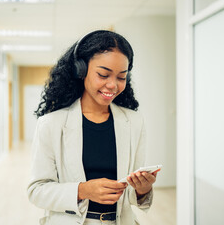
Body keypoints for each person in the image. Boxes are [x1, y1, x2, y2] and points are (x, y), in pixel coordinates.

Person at [27, 30, 159, 225]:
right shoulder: (51, 124)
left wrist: (142, 189)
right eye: (103, 74)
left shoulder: (134, 122)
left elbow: (130, 195)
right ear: (81, 71)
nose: (113, 85)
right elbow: (36, 191)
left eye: (121, 77)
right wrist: (82, 190)